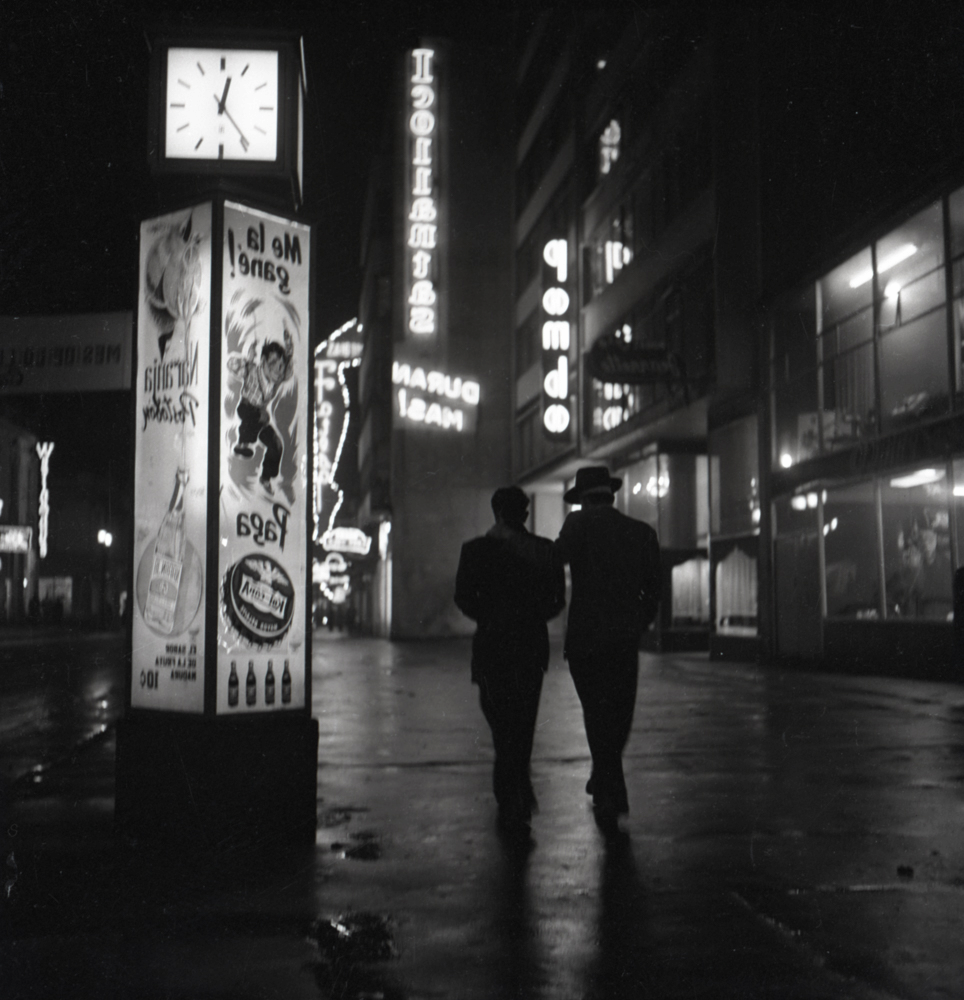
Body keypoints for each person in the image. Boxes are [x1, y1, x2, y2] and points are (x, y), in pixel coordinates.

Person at [554, 465, 660, 828]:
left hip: (585, 639)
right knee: (618, 713)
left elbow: (556, 560)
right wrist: (636, 623)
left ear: (582, 501)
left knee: (595, 713)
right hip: (623, 640)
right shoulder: (641, 532)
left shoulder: (577, 524)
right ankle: (606, 784)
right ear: (611, 496)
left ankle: (609, 787)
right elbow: (654, 592)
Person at [455, 486, 566, 832]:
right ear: (526, 514)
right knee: (523, 722)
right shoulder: (544, 550)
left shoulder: (475, 551)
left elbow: (463, 597)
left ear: (495, 512)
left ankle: (511, 793)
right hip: (530, 647)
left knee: (500, 722)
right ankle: (517, 791)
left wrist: (490, 617)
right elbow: (556, 601)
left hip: (491, 646)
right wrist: (528, 618)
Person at [227, 327, 295, 493]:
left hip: (259, 416)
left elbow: (287, 366)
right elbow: (235, 365)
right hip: (245, 408)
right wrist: (250, 353)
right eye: (273, 365)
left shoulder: (276, 380)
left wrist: (288, 346)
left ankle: (266, 477)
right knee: (258, 416)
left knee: (276, 445)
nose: (277, 371)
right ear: (263, 361)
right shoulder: (252, 369)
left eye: (280, 366)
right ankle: (243, 443)